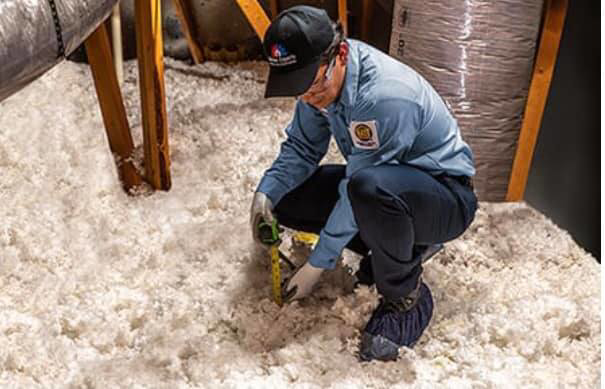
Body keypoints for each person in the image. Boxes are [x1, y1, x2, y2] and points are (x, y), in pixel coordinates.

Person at [249, 5, 478, 362]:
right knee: (288, 197)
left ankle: (406, 295)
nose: (307, 97)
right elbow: (301, 148)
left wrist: (318, 264)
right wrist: (265, 196)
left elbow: (359, 186)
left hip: (443, 196)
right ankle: (397, 243)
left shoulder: (384, 97)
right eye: (298, 88)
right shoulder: (320, 84)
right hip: (383, 185)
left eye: (311, 84)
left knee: (368, 189)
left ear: (340, 54)